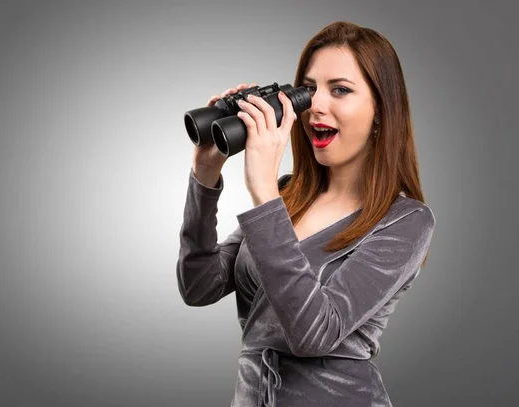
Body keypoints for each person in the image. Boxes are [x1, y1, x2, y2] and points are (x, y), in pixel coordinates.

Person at [176, 20, 436, 407]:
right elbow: (199, 287)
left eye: (341, 90)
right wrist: (205, 172)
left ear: (380, 109)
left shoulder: (406, 221)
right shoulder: (287, 194)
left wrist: (263, 193)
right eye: (309, 89)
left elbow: (314, 333)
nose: (316, 105)